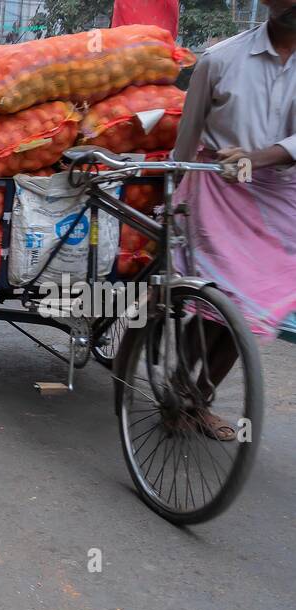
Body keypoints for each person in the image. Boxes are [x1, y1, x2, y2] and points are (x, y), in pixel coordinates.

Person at [169, 0, 296, 439]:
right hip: (218, 191)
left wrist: (257, 159)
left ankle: (198, 396)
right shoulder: (221, 58)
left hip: (283, 200)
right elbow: (188, 134)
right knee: (215, 308)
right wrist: (172, 191)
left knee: (252, 314)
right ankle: (178, 392)